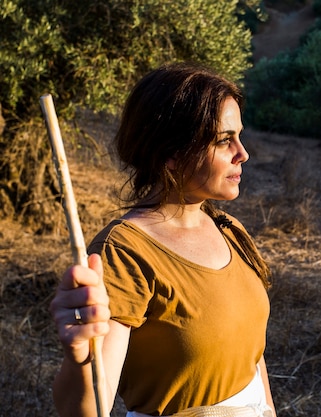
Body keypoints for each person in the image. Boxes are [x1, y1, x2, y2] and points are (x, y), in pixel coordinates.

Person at [48, 62, 275, 417]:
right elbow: (90, 409)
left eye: (239, 136)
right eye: (223, 140)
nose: (242, 153)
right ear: (171, 153)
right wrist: (79, 357)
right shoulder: (125, 252)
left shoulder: (230, 229)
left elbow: (253, 361)